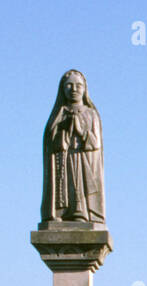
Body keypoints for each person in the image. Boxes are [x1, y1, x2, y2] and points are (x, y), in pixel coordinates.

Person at [40, 69, 105, 225]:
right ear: (62, 90)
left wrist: (80, 130)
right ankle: (60, 212)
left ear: (84, 89)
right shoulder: (59, 114)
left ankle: (82, 212)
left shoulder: (91, 114)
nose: (74, 89)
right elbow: (49, 142)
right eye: (69, 85)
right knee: (64, 188)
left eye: (78, 85)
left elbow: (95, 144)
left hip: (83, 161)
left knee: (79, 187)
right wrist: (61, 132)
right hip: (63, 159)